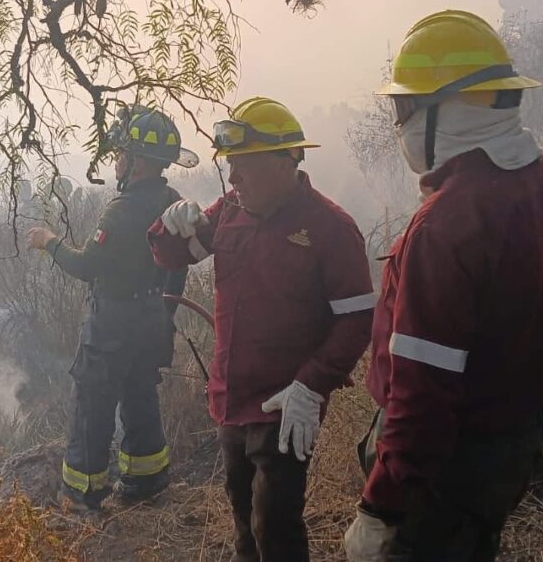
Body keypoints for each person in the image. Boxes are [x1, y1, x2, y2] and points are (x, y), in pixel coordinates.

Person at [343, 10, 543, 561]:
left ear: (447, 110)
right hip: (510, 444)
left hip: (440, 470)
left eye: (407, 108)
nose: (401, 124)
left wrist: (381, 507)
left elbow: (424, 392)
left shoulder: (445, 226)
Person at [150, 96, 375, 562]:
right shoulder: (230, 210)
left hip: (285, 404)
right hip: (232, 397)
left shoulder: (330, 227)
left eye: (243, 165)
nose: (233, 178)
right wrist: (170, 225)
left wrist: (311, 386)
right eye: (230, 165)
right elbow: (174, 256)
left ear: (283, 163)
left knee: (273, 523)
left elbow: (357, 320)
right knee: (242, 514)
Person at [26, 105, 197, 512]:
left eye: (122, 153)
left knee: (93, 402)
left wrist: (49, 241)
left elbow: (86, 265)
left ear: (138, 162)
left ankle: (82, 492)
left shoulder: (120, 210)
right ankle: (146, 481)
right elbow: (179, 265)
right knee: (140, 395)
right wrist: (165, 315)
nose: (117, 161)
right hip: (153, 317)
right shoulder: (173, 202)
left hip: (113, 323)